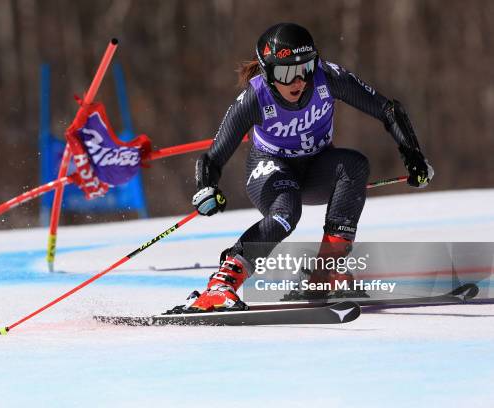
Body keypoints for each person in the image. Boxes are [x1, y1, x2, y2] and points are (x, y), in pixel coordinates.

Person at [186, 22, 434, 311]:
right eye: (286, 72)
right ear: (267, 72)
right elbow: (213, 158)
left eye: (305, 68)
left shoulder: (328, 78)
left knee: (354, 165)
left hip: (316, 167)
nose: (298, 81)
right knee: (286, 213)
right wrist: (206, 188)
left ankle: (326, 272)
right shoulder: (254, 98)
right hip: (271, 168)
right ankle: (221, 285)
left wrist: (413, 156)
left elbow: (388, 110)